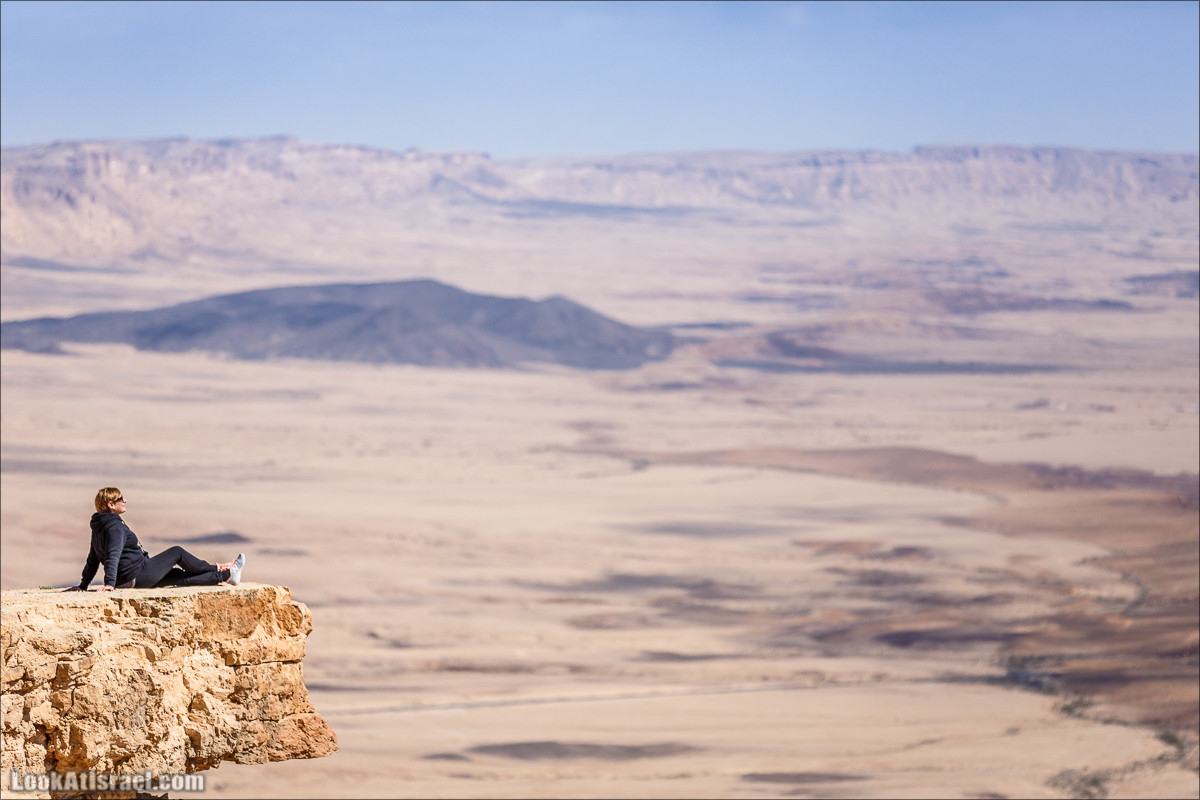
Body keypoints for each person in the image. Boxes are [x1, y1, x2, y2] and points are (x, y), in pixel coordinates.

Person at [69, 487, 244, 591]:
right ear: (111, 505)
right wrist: (109, 583)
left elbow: (93, 559)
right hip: (138, 573)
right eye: (121, 498)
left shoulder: (99, 525)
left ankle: (227, 575)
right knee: (177, 552)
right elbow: (112, 555)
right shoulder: (114, 525)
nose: (125, 500)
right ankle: (219, 567)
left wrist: (83, 585)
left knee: (177, 577)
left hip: (130, 579)